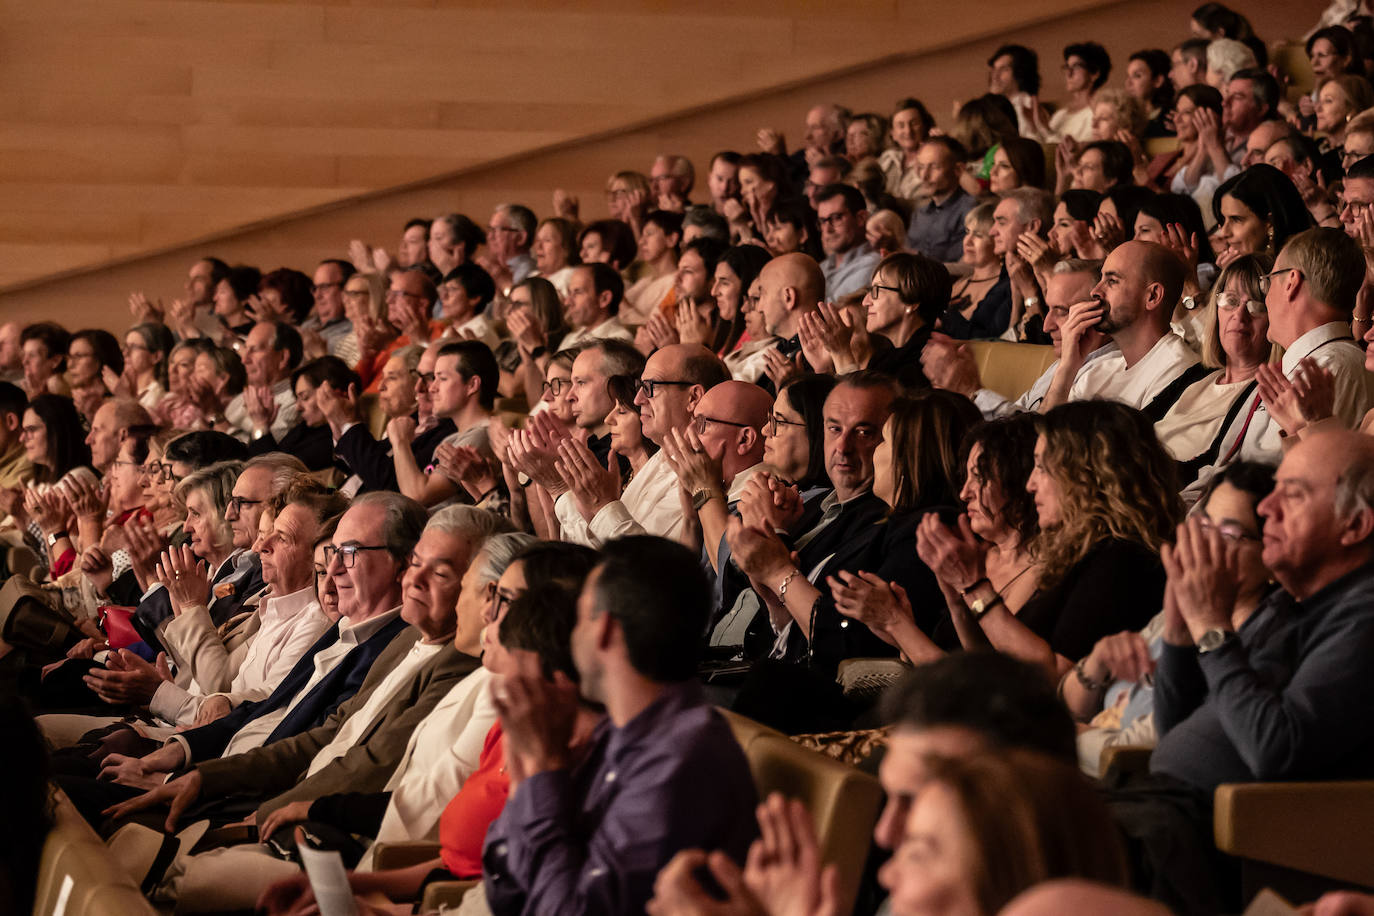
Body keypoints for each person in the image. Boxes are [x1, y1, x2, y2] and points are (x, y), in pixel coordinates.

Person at [1112, 429, 1374, 915]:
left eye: (1292, 495)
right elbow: (1178, 728)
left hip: (1219, 839)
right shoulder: (1287, 604)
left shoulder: (1362, 616)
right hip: (1162, 809)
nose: (1268, 507)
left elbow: (1277, 749)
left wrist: (1212, 627)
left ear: (1355, 525)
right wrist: (1180, 627)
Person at [483, 536, 758, 916]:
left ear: (604, 630)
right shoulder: (613, 734)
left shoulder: (684, 759)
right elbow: (504, 888)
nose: (567, 635)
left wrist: (543, 771)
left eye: (578, 617)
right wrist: (526, 778)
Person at [920, 401, 1178, 677]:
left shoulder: (1122, 560)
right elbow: (991, 668)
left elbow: (1051, 678)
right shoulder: (1077, 552)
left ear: (1085, 473)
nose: (1030, 484)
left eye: (1041, 467)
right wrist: (960, 598)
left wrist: (975, 588)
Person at [1066, 462, 1274, 776]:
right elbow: (1068, 701)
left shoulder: (1248, 646)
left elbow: (1139, 751)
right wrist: (1096, 663)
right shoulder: (1173, 612)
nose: (1207, 545)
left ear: (1272, 552)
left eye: (1230, 534)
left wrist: (1053, 734)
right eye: (1204, 527)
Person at [839, 414, 1040, 668]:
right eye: (965, 478)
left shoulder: (1043, 574)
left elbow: (978, 685)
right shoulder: (978, 556)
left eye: (979, 477)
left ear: (1021, 482)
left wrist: (897, 624)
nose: (964, 493)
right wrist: (901, 636)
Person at [544, 344, 728, 547]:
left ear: (693, 397)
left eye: (649, 387)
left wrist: (600, 505)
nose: (639, 399)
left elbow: (645, 567)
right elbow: (594, 555)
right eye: (640, 386)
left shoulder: (703, 470)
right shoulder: (662, 457)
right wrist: (562, 495)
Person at [924, 259, 1113, 418]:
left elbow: (1035, 443)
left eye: (1062, 311)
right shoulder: (1062, 363)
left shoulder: (1106, 376)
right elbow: (1022, 422)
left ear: (1099, 314)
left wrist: (971, 392)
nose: (1047, 327)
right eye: (1048, 310)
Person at [1041, 241, 1203, 412]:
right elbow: (1041, 436)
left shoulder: (1178, 372)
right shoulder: (1097, 373)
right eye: (1101, 278)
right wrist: (1067, 367)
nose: (1095, 291)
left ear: (1152, 296)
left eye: (1111, 281)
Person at [1156, 255, 1275, 483]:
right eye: (1231, 301)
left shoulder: (1262, 399)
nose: (1239, 315)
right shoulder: (1197, 373)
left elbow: (1206, 472)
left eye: (1257, 305)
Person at [390, 340, 497, 507]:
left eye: (442, 378)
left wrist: (400, 442)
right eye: (434, 378)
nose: (432, 388)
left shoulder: (481, 436)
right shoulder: (454, 437)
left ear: (472, 385)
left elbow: (419, 496)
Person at [1212, 164, 1314, 266]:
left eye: (1236, 219)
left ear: (1270, 221)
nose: (1224, 232)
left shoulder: (1303, 263)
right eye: (1223, 219)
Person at [226, 321, 302, 443]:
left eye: (254, 350)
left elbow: (267, 448)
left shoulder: (295, 403)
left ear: (282, 357)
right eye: (246, 349)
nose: (244, 360)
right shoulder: (239, 400)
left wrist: (227, 429)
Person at [904, 137, 977, 263]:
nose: (924, 176)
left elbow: (960, 266)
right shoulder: (920, 211)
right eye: (921, 167)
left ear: (958, 170)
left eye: (934, 167)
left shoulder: (970, 211)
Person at [814, 184, 881, 301]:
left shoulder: (874, 265)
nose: (827, 230)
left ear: (861, 218)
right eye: (822, 221)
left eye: (836, 218)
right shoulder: (822, 267)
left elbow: (831, 310)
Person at [560, 263, 636, 348]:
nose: (567, 302)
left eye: (577, 292)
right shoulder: (570, 338)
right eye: (569, 293)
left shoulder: (618, 340)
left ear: (604, 299)